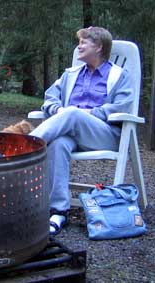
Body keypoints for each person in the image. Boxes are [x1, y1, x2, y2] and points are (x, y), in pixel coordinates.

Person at [30, 27, 133, 235]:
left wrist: (87, 114)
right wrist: (58, 110)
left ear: (99, 47)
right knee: (58, 144)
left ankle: (25, 146)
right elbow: (50, 99)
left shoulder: (118, 75)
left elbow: (123, 106)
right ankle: (58, 211)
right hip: (72, 132)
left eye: (84, 43)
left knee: (73, 114)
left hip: (104, 135)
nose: (79, 46)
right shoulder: (70, 75)